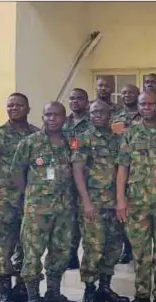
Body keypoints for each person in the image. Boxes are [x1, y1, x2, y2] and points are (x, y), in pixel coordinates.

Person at [13, 101, 79, 302]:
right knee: (32, 254)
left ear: (64, 117)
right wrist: (29, 197)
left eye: (56, 115)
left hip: (64, 210)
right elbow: (17, 171)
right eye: (47, 115)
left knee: (60, 253)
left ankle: (53, 293)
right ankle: (33, 297)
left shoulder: (71, 142)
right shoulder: (30, 142)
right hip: (37, 211)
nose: (52, 119)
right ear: (43, 117)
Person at [116, 92, 156, 302]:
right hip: (137, 202)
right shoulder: (130, 133)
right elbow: (123, 167)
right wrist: (120, 200)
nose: (147, 107)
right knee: (140, 250)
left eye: (151, 103)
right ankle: (141, 293)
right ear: (138, 106)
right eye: (143, 104)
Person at [0, 93, 39, 302]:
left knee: (28, 247)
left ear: (28, 108)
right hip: (4, 202)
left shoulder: (36, 135)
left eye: (19, 105)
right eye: (10, 105)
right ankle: (5, 294)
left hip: (31, 202)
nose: (14, 108)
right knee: (4, 248)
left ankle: (21, 289)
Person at [71, 100, 130, 302]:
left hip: (114, 205)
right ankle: (89, 290)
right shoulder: (83, 138)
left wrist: (121, 200)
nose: (96, 115)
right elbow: (77, 171)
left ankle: (105, 287)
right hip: (93, 205)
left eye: (101, 112)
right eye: (93, 111)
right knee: (93, 248)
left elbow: (123, 169)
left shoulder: (118, 140)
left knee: (113, 247)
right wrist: (86, 202)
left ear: (110, 114)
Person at [111, 84, 140, 265]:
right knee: (124, 215)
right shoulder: (116, 117)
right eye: (123, 92)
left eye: (130, 92)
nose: (127, 95)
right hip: (119, 165)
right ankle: (126, 249)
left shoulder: (144, 114)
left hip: (138, 170)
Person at [64, 88, 92, 271]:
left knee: (87, 220)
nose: (75, 102)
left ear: (87, 101)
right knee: (69, 218)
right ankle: (71, 254)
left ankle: (88, 260)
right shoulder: (61, 123)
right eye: (72, 98)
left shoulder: (94, 122)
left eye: (79, 98)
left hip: (89, 179)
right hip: (65, 179)